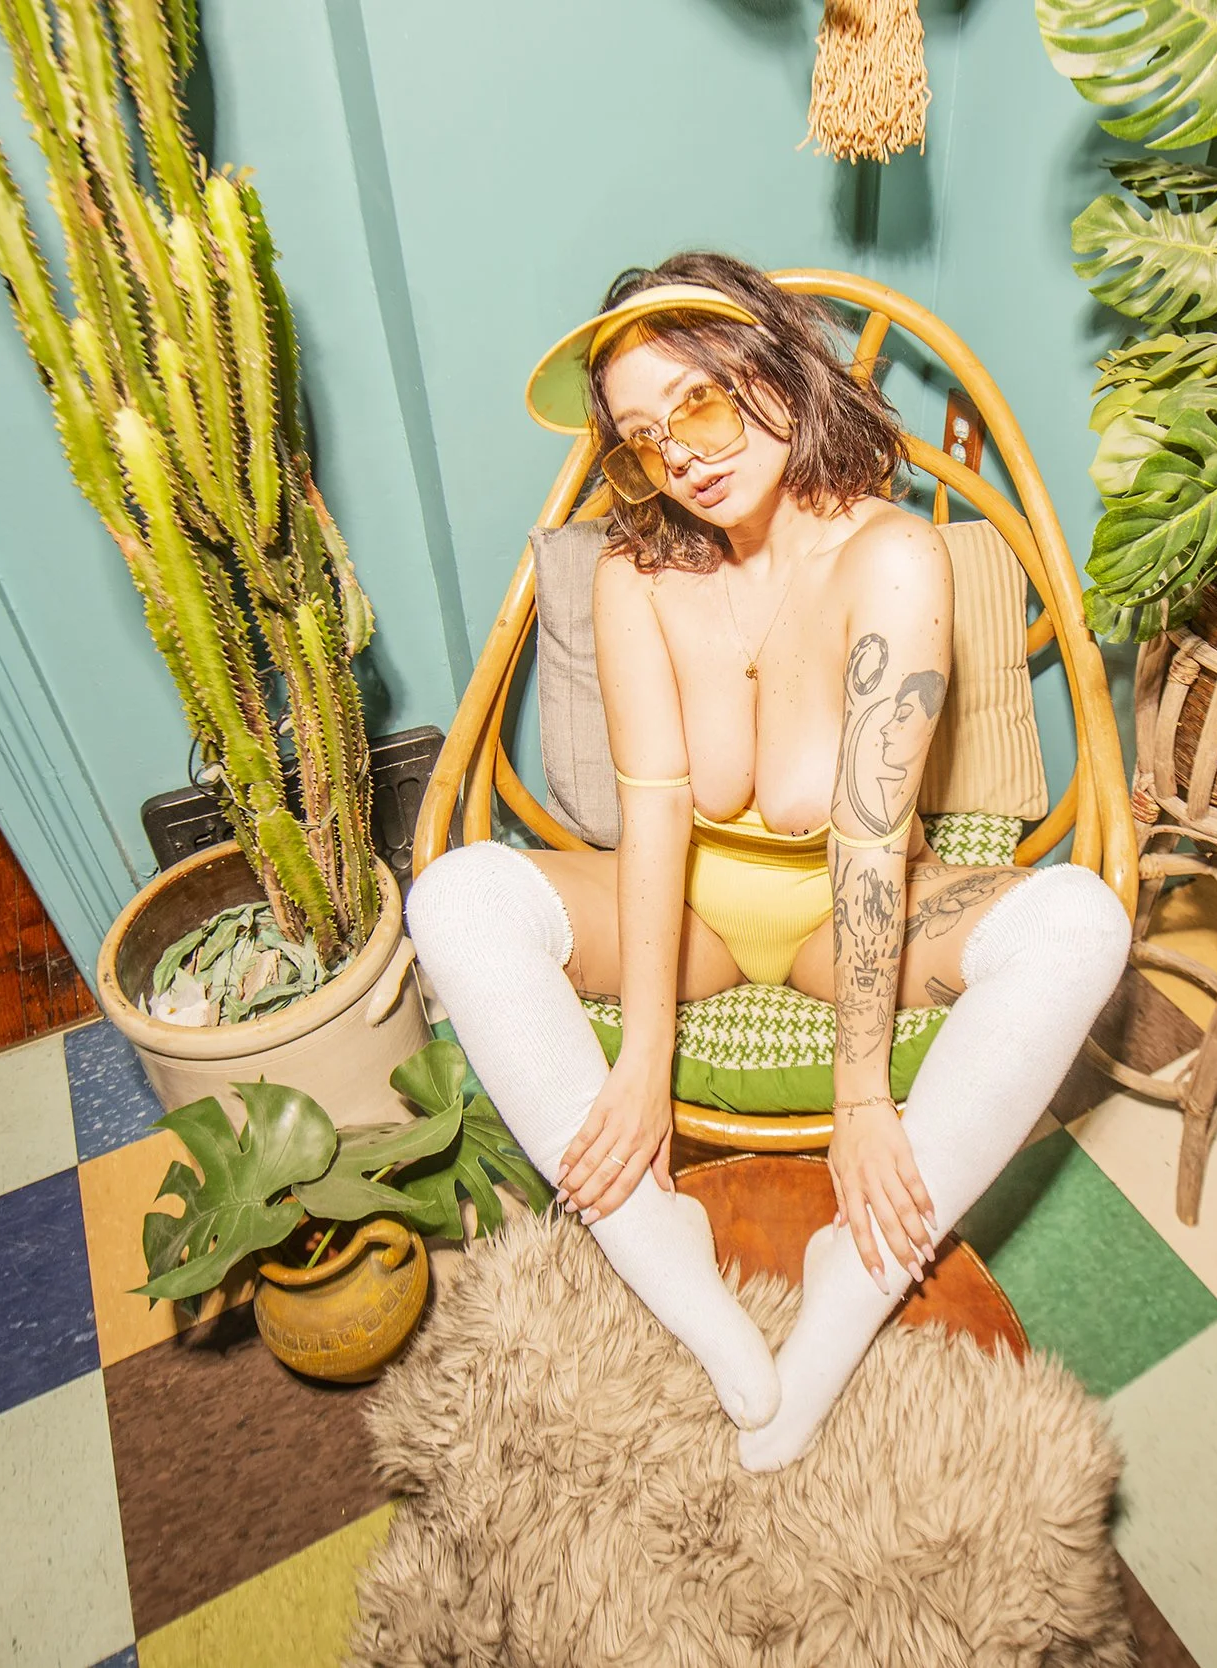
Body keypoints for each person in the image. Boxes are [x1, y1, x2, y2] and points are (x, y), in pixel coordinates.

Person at [404, 251, 1129, 1471]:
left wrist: (861, 1100)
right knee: (454, 894)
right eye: (641, 436)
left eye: (696, 399)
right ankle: (659, 1250)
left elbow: (873, 844)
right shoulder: (636, 575)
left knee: (1082, 925)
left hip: (842, 918)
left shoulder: (892, 556)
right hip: (685, 914)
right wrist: (638, 1066)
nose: (677, 451)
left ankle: (856, 1283)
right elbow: (655, 821)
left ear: (777, 371)